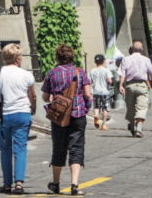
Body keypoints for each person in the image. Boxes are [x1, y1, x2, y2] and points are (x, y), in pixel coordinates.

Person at [41, 45, 92, 196]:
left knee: (59, 147)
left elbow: (45, 97)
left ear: (57, 57)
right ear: (72, 57)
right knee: (76, 147)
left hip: (59, 115)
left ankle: (55, 183)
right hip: (78, 114)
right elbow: (88, 94)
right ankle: (74, 185)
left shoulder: (52, 73)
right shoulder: (80, 72)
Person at [0, 43, 36, 195]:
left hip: (2, 115)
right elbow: (32, 95)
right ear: (18, 59)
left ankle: (6, 184)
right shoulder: (26, 75)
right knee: (20, 149)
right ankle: (18, 183)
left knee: (5, 150)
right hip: (21, 114)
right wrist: (33, 107)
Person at [118, 43, 152, 137]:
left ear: (132, 48)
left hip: (129, 86)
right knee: (142, 107)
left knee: (130, 107)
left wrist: (120, 85)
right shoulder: (146, 59)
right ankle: (139, 129)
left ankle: (132, 126)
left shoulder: (126, 59)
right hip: (141, 85)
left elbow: (122, 74)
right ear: (142, 49)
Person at [88, 55, 112, 131]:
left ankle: (96, 115)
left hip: (96, 91)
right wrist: (110, 83)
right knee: (105, 108)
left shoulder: (92, 71)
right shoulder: (106, 71)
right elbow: (110, 81)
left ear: (95, 62)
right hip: (105, 91)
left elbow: (89, 81)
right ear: (104, 61)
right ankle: (103, 124)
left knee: (96, 106)